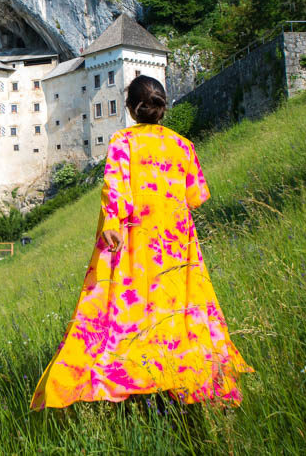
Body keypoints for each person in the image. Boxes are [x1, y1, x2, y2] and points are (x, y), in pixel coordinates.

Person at [29, 75, 252, 410]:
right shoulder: (183, 145)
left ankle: (133, 382)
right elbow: (197, 196)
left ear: (132, 109)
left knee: (128, 313)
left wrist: (113, 227)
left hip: (136, 242)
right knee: (177, 312)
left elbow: (114, 193)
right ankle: (176, 380)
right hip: (177, 244)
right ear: (161, 108)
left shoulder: (123, 142)